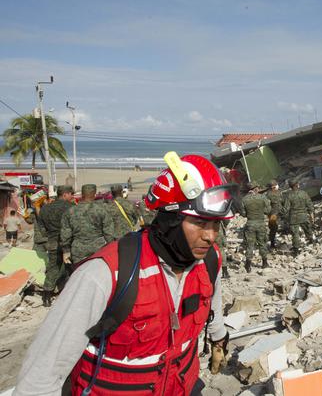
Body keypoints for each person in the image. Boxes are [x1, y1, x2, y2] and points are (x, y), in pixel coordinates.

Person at [14, 154, 231, 395]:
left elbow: (212, 302)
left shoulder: (210, 260)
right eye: (200, 223)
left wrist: (219, 335)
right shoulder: (104, 274)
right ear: (170, 219)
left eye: (216, 224)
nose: (211, 236)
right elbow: (40, 378)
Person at [37, 185, 75, 307]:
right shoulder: (71, 208)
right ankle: (71, 295)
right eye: (71, 194)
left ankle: (46, 297)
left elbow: (41, 229)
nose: (72, 196)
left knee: (53, 269)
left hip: (52, 242)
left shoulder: (45, 209)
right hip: (68, 244)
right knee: (73, 269)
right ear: (65, 194)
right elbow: (74, 227)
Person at [61, 184, 115, 266]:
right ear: (95, 194)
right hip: (98, 249)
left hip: (78, 250)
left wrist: (66, 251)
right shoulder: (101, 210)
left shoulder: (70, 211)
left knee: (79, 275)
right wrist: (110, 248)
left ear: (82, 195)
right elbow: (109, 233)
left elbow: (65, 234)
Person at [238, 182, 271, 272]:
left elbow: (243, 214)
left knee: (250, 245)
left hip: (250, 224)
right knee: (262, 243)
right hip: (260, 223)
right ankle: (264, 263)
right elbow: (268, 210)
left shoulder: (244, 199)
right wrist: (261, 210)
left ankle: (248, 266)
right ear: (256, 188)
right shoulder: (262, 197)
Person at [282, 180, 314, 253]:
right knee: (307, 228)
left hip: (293, 217)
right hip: (303, 215)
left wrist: (281, 214)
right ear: (297, 185)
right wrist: (311, 214)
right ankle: (311, 240)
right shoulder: (303, 193)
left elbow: (286, 208)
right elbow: (309, 204)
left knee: (295, 233)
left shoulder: (288, 195)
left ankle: (296, 249)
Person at [266, 180, 282, 249]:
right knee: (273, 228)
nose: (277, 186)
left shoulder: (278, 192)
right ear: (273, 187)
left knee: (274, 227)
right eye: (276, 185)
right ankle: (272, 243)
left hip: (279, 212)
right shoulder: (268, 195)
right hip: (273, 214)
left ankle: (273, 241)